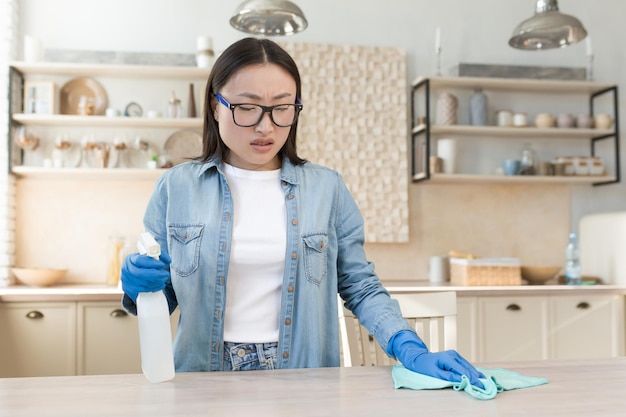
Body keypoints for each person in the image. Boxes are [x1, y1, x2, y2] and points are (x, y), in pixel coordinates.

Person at [121, 37, 484, 387]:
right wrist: (139, 288)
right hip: (202, 375)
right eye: (247, 107)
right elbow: (159, 298)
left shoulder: (327, 188)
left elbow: (360, 286)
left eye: (282, 108)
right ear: (216, 106)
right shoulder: (177, 187)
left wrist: (410, 349)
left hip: (304, 373)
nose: (266, 126)